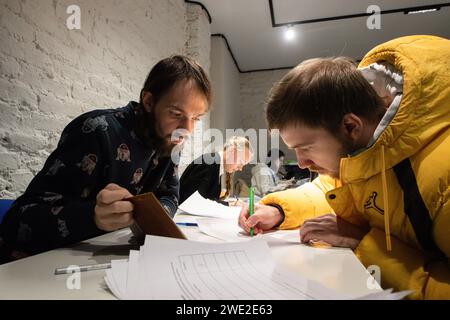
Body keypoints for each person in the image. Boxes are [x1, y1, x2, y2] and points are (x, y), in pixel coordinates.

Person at [238, 35, 450, 299]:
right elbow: (333, 187)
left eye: (306, 147)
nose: (302, 163)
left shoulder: (443, 180)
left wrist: (366, 243)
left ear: (351, 126)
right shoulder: (362, 151)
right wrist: (278, 210)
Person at [0, 55, 211, 263]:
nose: (188, 129)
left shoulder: (171, 139)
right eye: (176, 114)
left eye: (196, 118)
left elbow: (170, 195)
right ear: (149, 101)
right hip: (28, 269)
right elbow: (17, 221)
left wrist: (154, 219)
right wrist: (91, 216)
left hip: (103, 262)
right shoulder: (96, 131)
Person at [179, 136, 253, 204]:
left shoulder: (215, 164)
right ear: (232, 151)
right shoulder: (210, 163)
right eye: (241, 162)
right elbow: (193, 202)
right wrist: (227, 204)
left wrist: (227, 202)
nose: (240, 169)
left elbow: (207, 198)